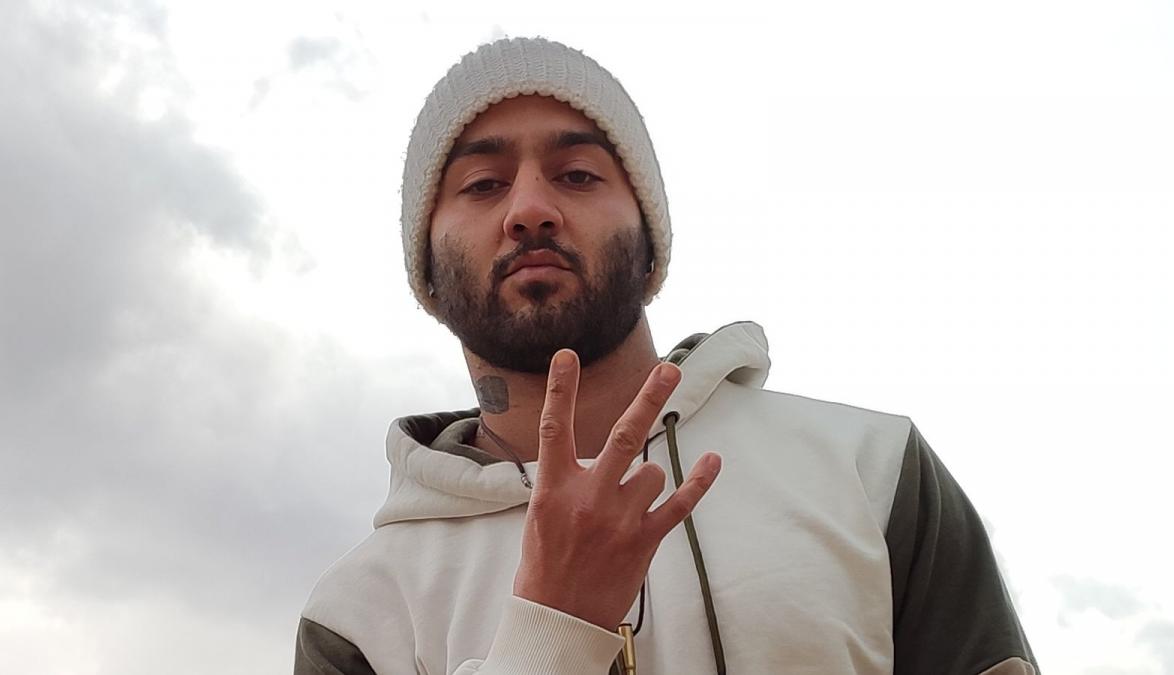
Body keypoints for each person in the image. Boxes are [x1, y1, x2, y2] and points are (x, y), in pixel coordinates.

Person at [294, 36, 1038, 675]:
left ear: (651, 243)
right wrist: (550, 632)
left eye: (578, 175)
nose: (530, 210)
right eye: (483, 185)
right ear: (426, 268)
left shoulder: (869, 466)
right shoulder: (358, 612)